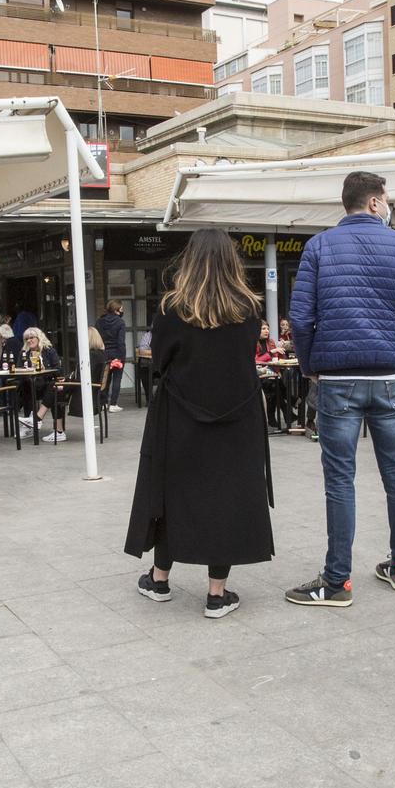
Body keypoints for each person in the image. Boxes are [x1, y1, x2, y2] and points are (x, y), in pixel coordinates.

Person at [285, 169, 395, 607]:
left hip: (337, 381)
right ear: (373, 202)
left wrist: (312, 364)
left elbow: (300, 317)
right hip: (388, 380)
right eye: (385, 198)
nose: (388, 204)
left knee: (340, 481)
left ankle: (337, 582)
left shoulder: (318, 247)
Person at [124, 230, 272, 618]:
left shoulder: (172, 307)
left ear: (190, 260)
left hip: (180, 413)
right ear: (232, 261)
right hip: (237, 415)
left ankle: (159, 579)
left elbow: (159, 362)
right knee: (227, 495)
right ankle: (216, 594)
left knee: (173, 492)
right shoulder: (249, 308)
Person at [12, 327, 66, 442]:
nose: (29, 341)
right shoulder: (24, 353)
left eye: (32, 337)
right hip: (31, 384)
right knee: (25, 386)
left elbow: (58, 370)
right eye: (26, 338)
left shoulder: (48, 350)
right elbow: (18, 370)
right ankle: (30, 425)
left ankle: (36, 420)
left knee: (53, 387)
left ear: (39, 338)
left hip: (47, 383)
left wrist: (44, 368)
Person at [97, 300, 129, 411]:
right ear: (116, 310)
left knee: (105, 379)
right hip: (117, 353)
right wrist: (122, 357)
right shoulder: (120, 322)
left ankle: (103, 403)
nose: (122, 310)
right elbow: (121, 342)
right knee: (117, 379)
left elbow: (98, 339)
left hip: (104, 353)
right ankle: (113, 404)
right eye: (121, 308)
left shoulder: (100, 321)